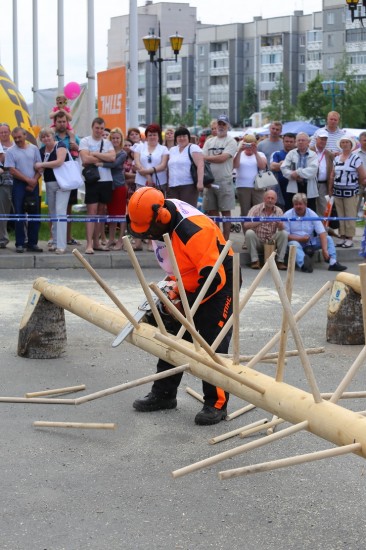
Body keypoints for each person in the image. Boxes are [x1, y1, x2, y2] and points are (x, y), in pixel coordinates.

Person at [127, 186, 237, 425]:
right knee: (173, 335)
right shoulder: (163, 216)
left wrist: (189, 306)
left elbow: (214, 279)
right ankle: (164, 394)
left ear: (162, 217)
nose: (148, 236)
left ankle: (216, 404)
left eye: (149, 230)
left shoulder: (193, 231)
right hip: (188, 276)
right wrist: (174, 293)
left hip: (218, 281)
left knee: (211, 339)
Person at [283, 193, 347, 273]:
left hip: (310, 242)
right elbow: (286, 236)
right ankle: (304, 265)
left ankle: (333, 262)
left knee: (328, 238)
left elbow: (322, 232)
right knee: (294, 244)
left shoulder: (312, 214)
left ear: (305, 204)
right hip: (295, 241)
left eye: (300, 204)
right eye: (296, 204)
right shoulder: (287, 215)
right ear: (293, 205)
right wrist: (301, 239)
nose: (298, 206)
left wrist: (324, 250)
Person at [79, 117, 116, 254]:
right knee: (92, 212)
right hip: (93, 180)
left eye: (101, 128)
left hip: (106, 180)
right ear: (92, 127)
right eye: (97, 128)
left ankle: (97, 242)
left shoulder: (107, 142)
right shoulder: (85, 141)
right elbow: (85, 158)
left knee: (101, 211)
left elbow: (112, 158)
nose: (99, 131)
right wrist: (102, 157)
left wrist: (93, 154)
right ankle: (89, 243)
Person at [5, 127, 42, 253]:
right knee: (19, 214)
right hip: (19, 184)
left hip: (33, 183)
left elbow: (39, 167)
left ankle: (32, 243)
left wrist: (34, 180)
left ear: (25, 135)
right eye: (15, 138)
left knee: (34, 213)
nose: (17, 140)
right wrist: (28, 180)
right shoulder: (10, 151)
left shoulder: (34, 149)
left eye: (19, 137)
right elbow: (12, 170)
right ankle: (20, 243)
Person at [134, 123, 169, 251]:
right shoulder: (139, 147)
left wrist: (149, 172)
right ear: (146, 136)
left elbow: (163, 165)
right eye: (150, 134)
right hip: (141, 183)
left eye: (154, 134)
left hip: (158, 185)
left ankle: (152, 242)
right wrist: (146, 174)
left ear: (158, 136)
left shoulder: (163, 149)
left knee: (155, 213)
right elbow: (137, 163)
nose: (152, 137)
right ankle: (137, 241)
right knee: (139, 211)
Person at [203, 114, 237, 240]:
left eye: (224, 124)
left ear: (228, 126)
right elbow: (202, 158)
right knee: (212, 212)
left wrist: (206, 158)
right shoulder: (209, 141)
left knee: (226, 212)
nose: (221, 126)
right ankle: (217, 238)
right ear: (216, 125)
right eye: (219, 124)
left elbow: (223, 158)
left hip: (225, 180)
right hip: (209, 180)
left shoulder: (231, 141)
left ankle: (226, 239)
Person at [35, 127, 69, 254]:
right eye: (43, 137)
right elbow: (39, 166)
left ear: (52, 136)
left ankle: (62, 245)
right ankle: (55, 241)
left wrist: (42, 165)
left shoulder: (60, 145)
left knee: (61, 212)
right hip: (49, 183)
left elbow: (59, 162)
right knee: (52, 213)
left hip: (63, 183)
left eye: (47, 136)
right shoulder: (42, 150)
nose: (46, 139)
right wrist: (39, 168)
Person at [329, 135, 366, 249]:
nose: (345, 144)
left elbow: (362, 174)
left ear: (351, 145)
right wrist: (330, 189)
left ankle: (349, 238)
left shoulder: (356, 158)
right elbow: (332, 174)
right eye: (343, 142)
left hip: (351, 191)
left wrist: (355, 184)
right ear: (340, 144)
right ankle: (342, 236)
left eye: (347, 142)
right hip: (338, 191)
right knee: (340, 214)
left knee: (350, 214)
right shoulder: (336, 158)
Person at [96, 127, 127, 251]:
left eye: (117, 138)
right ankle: (111, 239)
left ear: (121, 139)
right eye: (113, 138)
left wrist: (101, 163)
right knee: (112, 214)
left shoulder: (123, 153)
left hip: (119, 185)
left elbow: (114, 163)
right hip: (108, 184)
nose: (115, 140)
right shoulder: (107, 151)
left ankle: (121, 240)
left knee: (120, 214)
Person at [52, 112, 81, 245]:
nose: (62, 124)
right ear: (55, 122)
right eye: (59, 121)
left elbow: (82, 151)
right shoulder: (51, 136)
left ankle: (68, 237)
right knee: (53, 209)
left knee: (68, 209)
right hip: (54, 175)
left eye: (64, 121)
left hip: (69, 176)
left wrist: (77, 147)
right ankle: (54, 238)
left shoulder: (73, 137)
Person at [233, 133, 267, 241]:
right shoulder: (239, 154)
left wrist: (255, 152)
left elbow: (262, 166)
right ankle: (247, 238)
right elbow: (235, 165)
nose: (248, 147)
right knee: (245, 212)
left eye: (251, 144)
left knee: (259, 211)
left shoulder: (260, 154)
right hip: (243, 186)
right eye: (246, 144)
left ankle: (258, 237)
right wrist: (239, 150)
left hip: (258, 186)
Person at [243, 189, 288, 270]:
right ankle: (255, 261)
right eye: (268, 198)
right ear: (264, 199)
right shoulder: (255, 209)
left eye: (272, 198)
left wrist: (280, 225)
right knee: (249, 233)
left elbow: (282, 227)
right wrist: (260, 221)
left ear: (275, 200)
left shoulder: (279, 211)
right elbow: (246, 225)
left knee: (284, 233)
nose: (270, 200)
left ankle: (280, 261)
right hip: (258, 240)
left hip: (271, 241)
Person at [280, 132, 319, 212]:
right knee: (292, 210)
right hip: (294, 186)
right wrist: (291, 174)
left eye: (303, 140)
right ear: (296, 142)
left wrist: (297, 172)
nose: (301, 142)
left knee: (309, 211)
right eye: (299, 140)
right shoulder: (291, 153)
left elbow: (313, 170)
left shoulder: (313, 154)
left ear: (308, 142)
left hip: (308, 186)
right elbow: (283, 168)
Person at [167, 126, 203, 206]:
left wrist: (200, 182)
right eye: (179, 136)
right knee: (174, 212)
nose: (181, 138)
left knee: (187, 211)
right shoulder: (172, 150)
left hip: (188, 186)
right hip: (173, 186)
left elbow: (200, 165)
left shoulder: (193, 148)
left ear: (188, 137)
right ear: (176, 138)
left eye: (184, 136)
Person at [269, 132, 296, 212]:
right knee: (280, 210)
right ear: (283, 142)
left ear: (295, 142)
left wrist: (282, 164)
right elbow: (273, 166)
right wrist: (285, 164)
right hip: (280, 187)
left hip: (295, 186)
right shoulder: (277, 154)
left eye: (291, 142)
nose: (289, 144)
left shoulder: (298, 154)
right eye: (287, 141)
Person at [309, 129, 333, 216]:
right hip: (311, 183)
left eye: (325, 139)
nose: (323, 141)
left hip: (323, 185)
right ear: (316, 139)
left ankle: (323, 229)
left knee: (323, 208)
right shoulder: (309, 151)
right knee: (311, 207)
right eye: (321, 139)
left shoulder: (329, 154)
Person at [0, 123, 13, 248]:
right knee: (3, 211)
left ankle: (24, 238)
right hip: (3, 183)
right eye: (1, 132)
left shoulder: (16, 145)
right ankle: (2, 239)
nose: (3, 134)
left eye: (5, 131)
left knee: (22, 211)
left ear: (9, 132)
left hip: (18, 180)